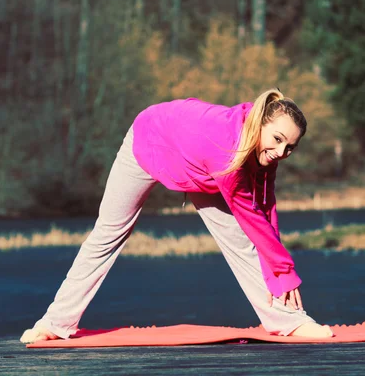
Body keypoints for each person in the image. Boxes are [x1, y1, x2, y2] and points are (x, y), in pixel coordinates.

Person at [20, 88, 333, 343]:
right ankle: (55, 322)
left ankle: (288, 322)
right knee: (108, 233)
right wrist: (282, 266)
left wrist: (281, 271)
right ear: (260, 123)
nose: (281, 153)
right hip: (150, 141)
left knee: (241, 243)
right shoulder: (226, 146)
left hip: (201, 170)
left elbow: (266, 209)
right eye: (278, 140)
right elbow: (249, 213)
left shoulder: (265, 154)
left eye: (290, 147)